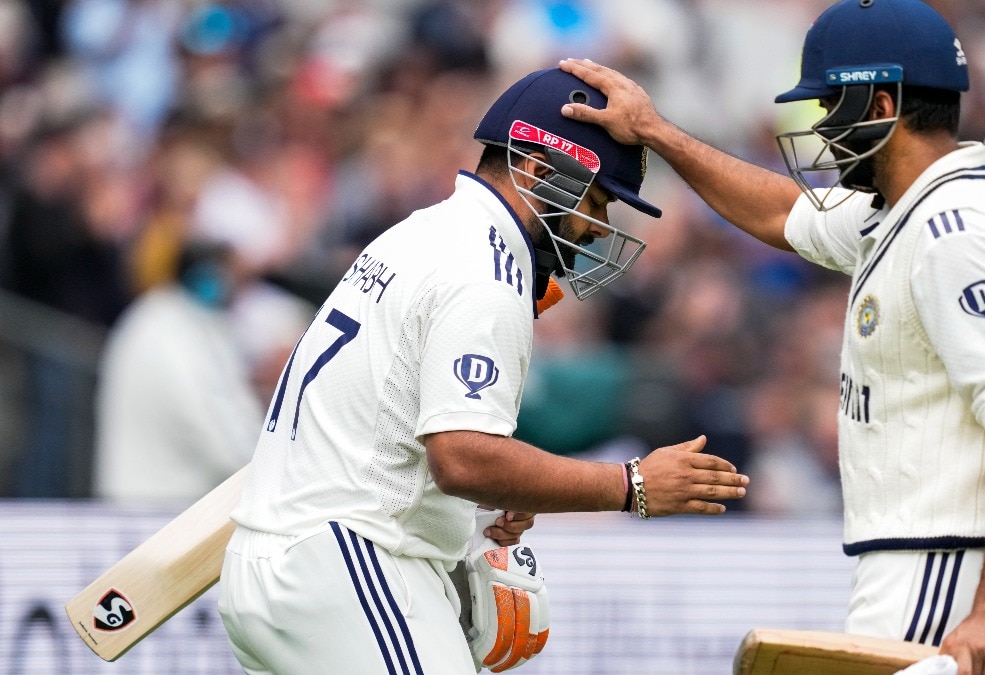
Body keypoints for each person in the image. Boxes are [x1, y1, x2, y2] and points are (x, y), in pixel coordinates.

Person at [558, 0, 985, 672]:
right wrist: (657, 131)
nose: (821, 127)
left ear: (882, 103)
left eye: (832, 104)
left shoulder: (952, 232)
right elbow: (786, 211)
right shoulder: (904, 209)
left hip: (949, 560)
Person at [217, 67, 749, 674]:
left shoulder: (425, 231)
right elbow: (462, 456)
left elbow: (392, 428)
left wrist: (481, 505)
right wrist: (632, 485)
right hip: (345, 563)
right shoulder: (487, 270)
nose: (596, 230)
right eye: (595, 203)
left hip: (277, 562)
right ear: (538, 171)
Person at [94, 239, 263, 501]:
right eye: (235, 276)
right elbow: (228, 446)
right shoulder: (177, 337)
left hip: (141, 503)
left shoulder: (159, 318)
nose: (242, 289)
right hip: (158, 511)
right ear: (207, 280)